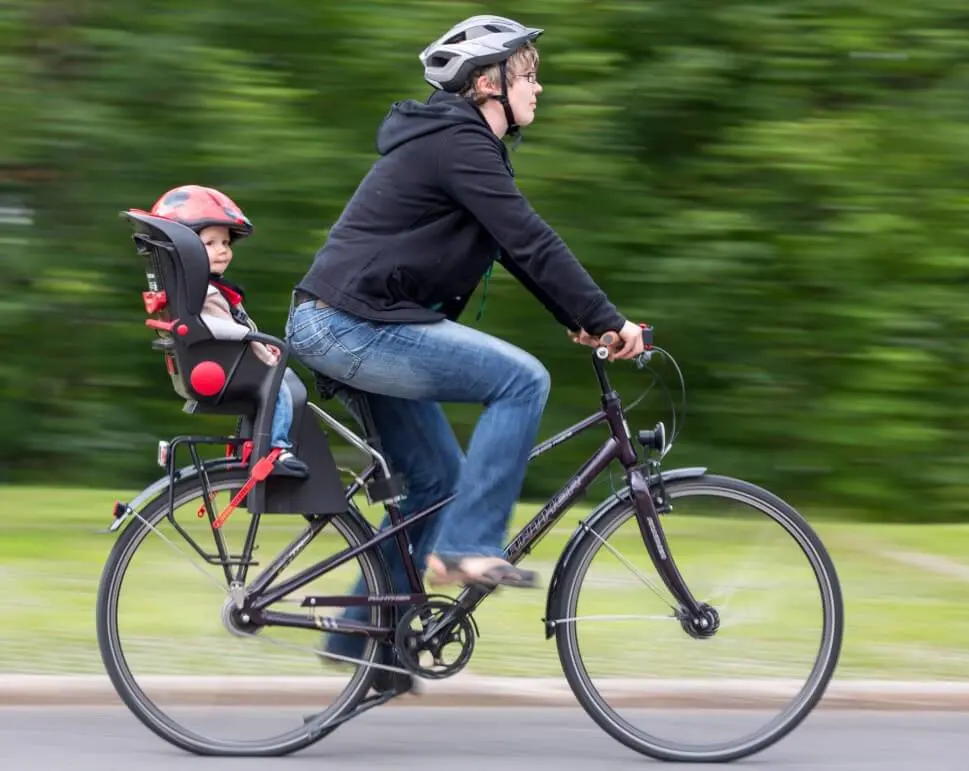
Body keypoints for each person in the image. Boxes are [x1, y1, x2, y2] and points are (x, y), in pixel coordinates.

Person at [284, 15, 645, 682]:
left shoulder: (457, 146)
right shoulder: (459, 143)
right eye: (529, 74)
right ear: (487, 83)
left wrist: (584, 319)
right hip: (350, 325)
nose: (540, 87)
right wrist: (609, 318)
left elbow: (514, 247)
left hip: (347, 321)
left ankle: (370, 646)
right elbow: (531, 237)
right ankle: (469, 547)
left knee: (439, 482)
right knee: (522, 382)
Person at [151, 185, 310, 479]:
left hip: (230, 362)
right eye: (210, 243)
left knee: (281, 380)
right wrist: (254, 340)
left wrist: (261, 345)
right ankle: (276, 450)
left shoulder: (201, 289)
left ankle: (256, 446)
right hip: (227, 367)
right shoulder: (205, 291)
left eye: (225, 243)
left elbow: (233, 324)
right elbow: (215, 326)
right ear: (187, 251)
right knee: (279, 391)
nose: (222, 250)